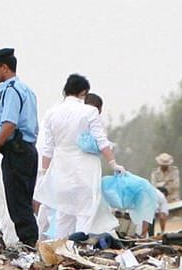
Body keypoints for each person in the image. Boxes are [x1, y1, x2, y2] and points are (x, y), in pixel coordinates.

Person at [36, 74, 123, 240]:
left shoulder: (51, 114)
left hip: (60, 168)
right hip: (85, 168)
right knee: (85, 212)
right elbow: (101, 140)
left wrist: (44, 172)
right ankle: (80, 248)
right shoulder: (89, 111)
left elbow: (48, 149)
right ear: (83, 92)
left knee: (63, 213)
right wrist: (113, 163)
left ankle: (59, 250)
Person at [0, 48, 39, 248]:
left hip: (16, 150)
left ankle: (28, 242)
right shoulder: (27, 90)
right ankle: (30, 241)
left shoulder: (11, 90)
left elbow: (9, 123)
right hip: (28, 149)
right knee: (24, 199)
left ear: (4, 68)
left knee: (17, 202)